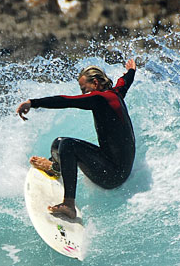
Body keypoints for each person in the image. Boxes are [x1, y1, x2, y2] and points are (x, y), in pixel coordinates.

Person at [16, 59, 137, 219]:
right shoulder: (116, 93)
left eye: (84, 89)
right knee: (59, 143)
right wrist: (131, 71)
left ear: (95, 83)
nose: (82, 94)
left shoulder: (99, 99)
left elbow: (65, 101)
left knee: (68, 145)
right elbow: (125, 81)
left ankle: (69, 205)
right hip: (118, 168)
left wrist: (33, 103)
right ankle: (55, 167)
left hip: (113, 176)